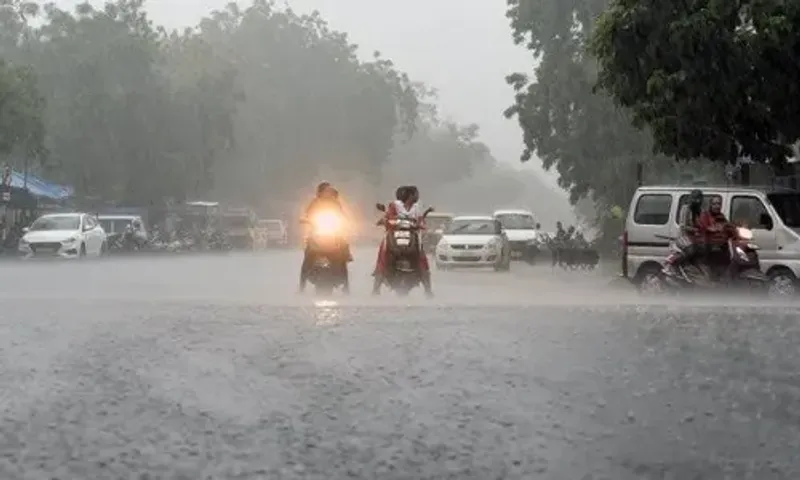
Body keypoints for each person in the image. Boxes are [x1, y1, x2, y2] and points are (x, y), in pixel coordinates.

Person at [373, 185, 433, 297]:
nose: (417, 196)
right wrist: (386, 220)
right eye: (415, 194)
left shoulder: (417, 207)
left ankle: (428, 289)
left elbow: (420, 220)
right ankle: (376, 288)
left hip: (412, 234)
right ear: (410, 195)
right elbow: (388, 216)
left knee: (421, 256)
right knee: (383, 253)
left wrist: (421, 224)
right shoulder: (394, 205)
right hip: (394, 233)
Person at [299, 182, 351, 293]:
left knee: (343, 255)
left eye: (329, 190)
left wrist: (346, 222)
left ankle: (346, 286)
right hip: (317, 234)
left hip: (334, 234)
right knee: (307, 256)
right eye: (326, 190)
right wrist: (305, 220)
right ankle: (301, 287)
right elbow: (306, 214)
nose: (328, 192)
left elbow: (342, 215)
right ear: (320, 192)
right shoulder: (314, 203)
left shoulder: (335, 203)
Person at [663, 189, 703, 277]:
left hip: (693, 237)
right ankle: (671, 264)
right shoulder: (686, 208)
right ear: (692, 199)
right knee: (691, 250)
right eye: (696, 199)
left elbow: (700, 223)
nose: (698, 201)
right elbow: (683, 226)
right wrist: (695, 230)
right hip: (683, 236)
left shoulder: (698, 211)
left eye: (700, 199)